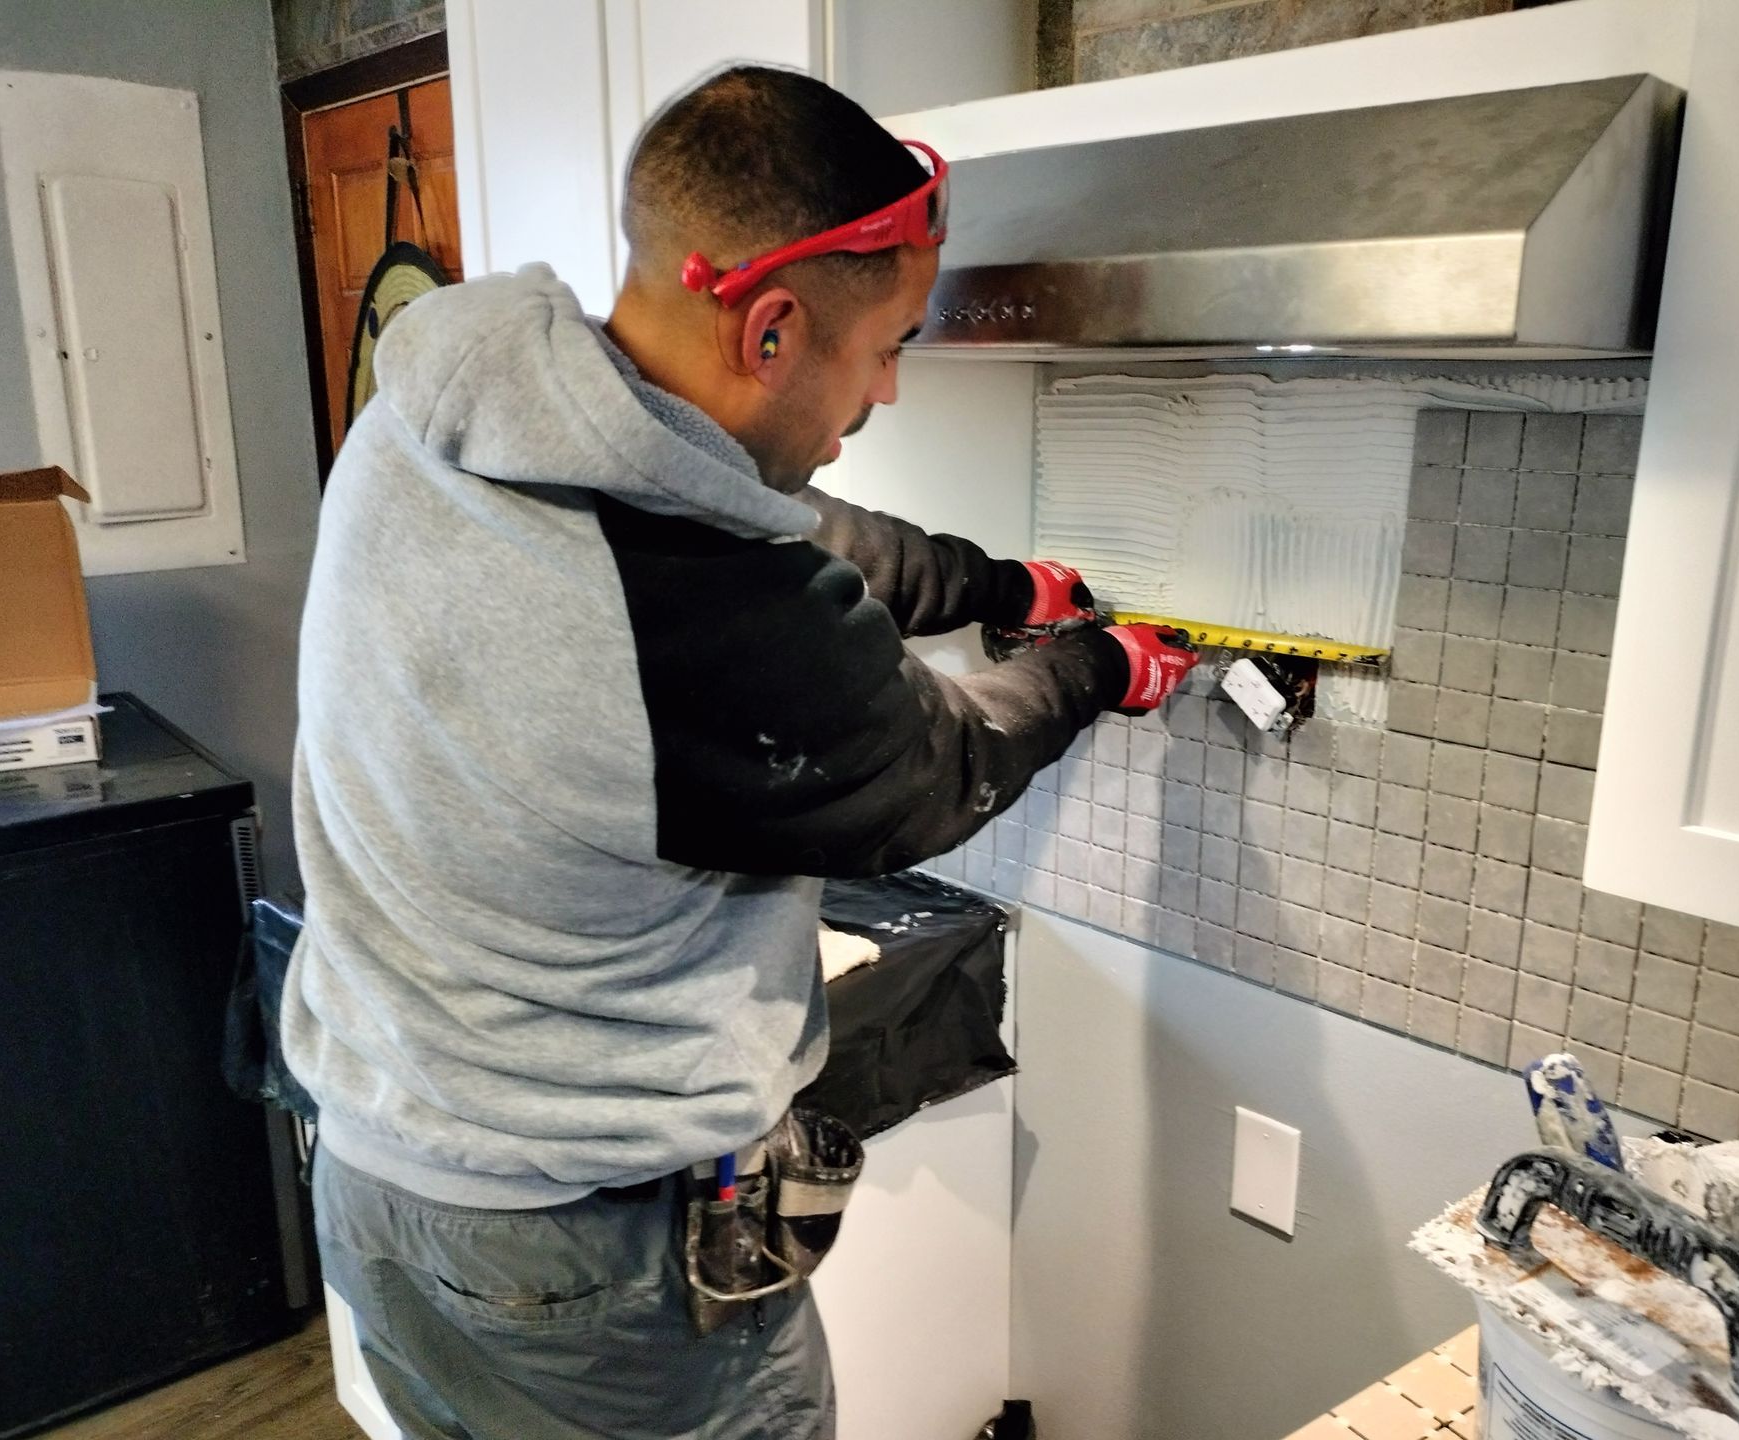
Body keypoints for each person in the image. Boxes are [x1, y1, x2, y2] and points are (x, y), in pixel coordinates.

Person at [282, 65, 1198, 1440]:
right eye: (887, 344)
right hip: (592, 1262)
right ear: (771, 329)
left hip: (376, 1177)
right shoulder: (694, 617)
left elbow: (764, 527)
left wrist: (996, 587)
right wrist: (1095, 667)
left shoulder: (445, 402)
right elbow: (937, 767)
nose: (888, 390)